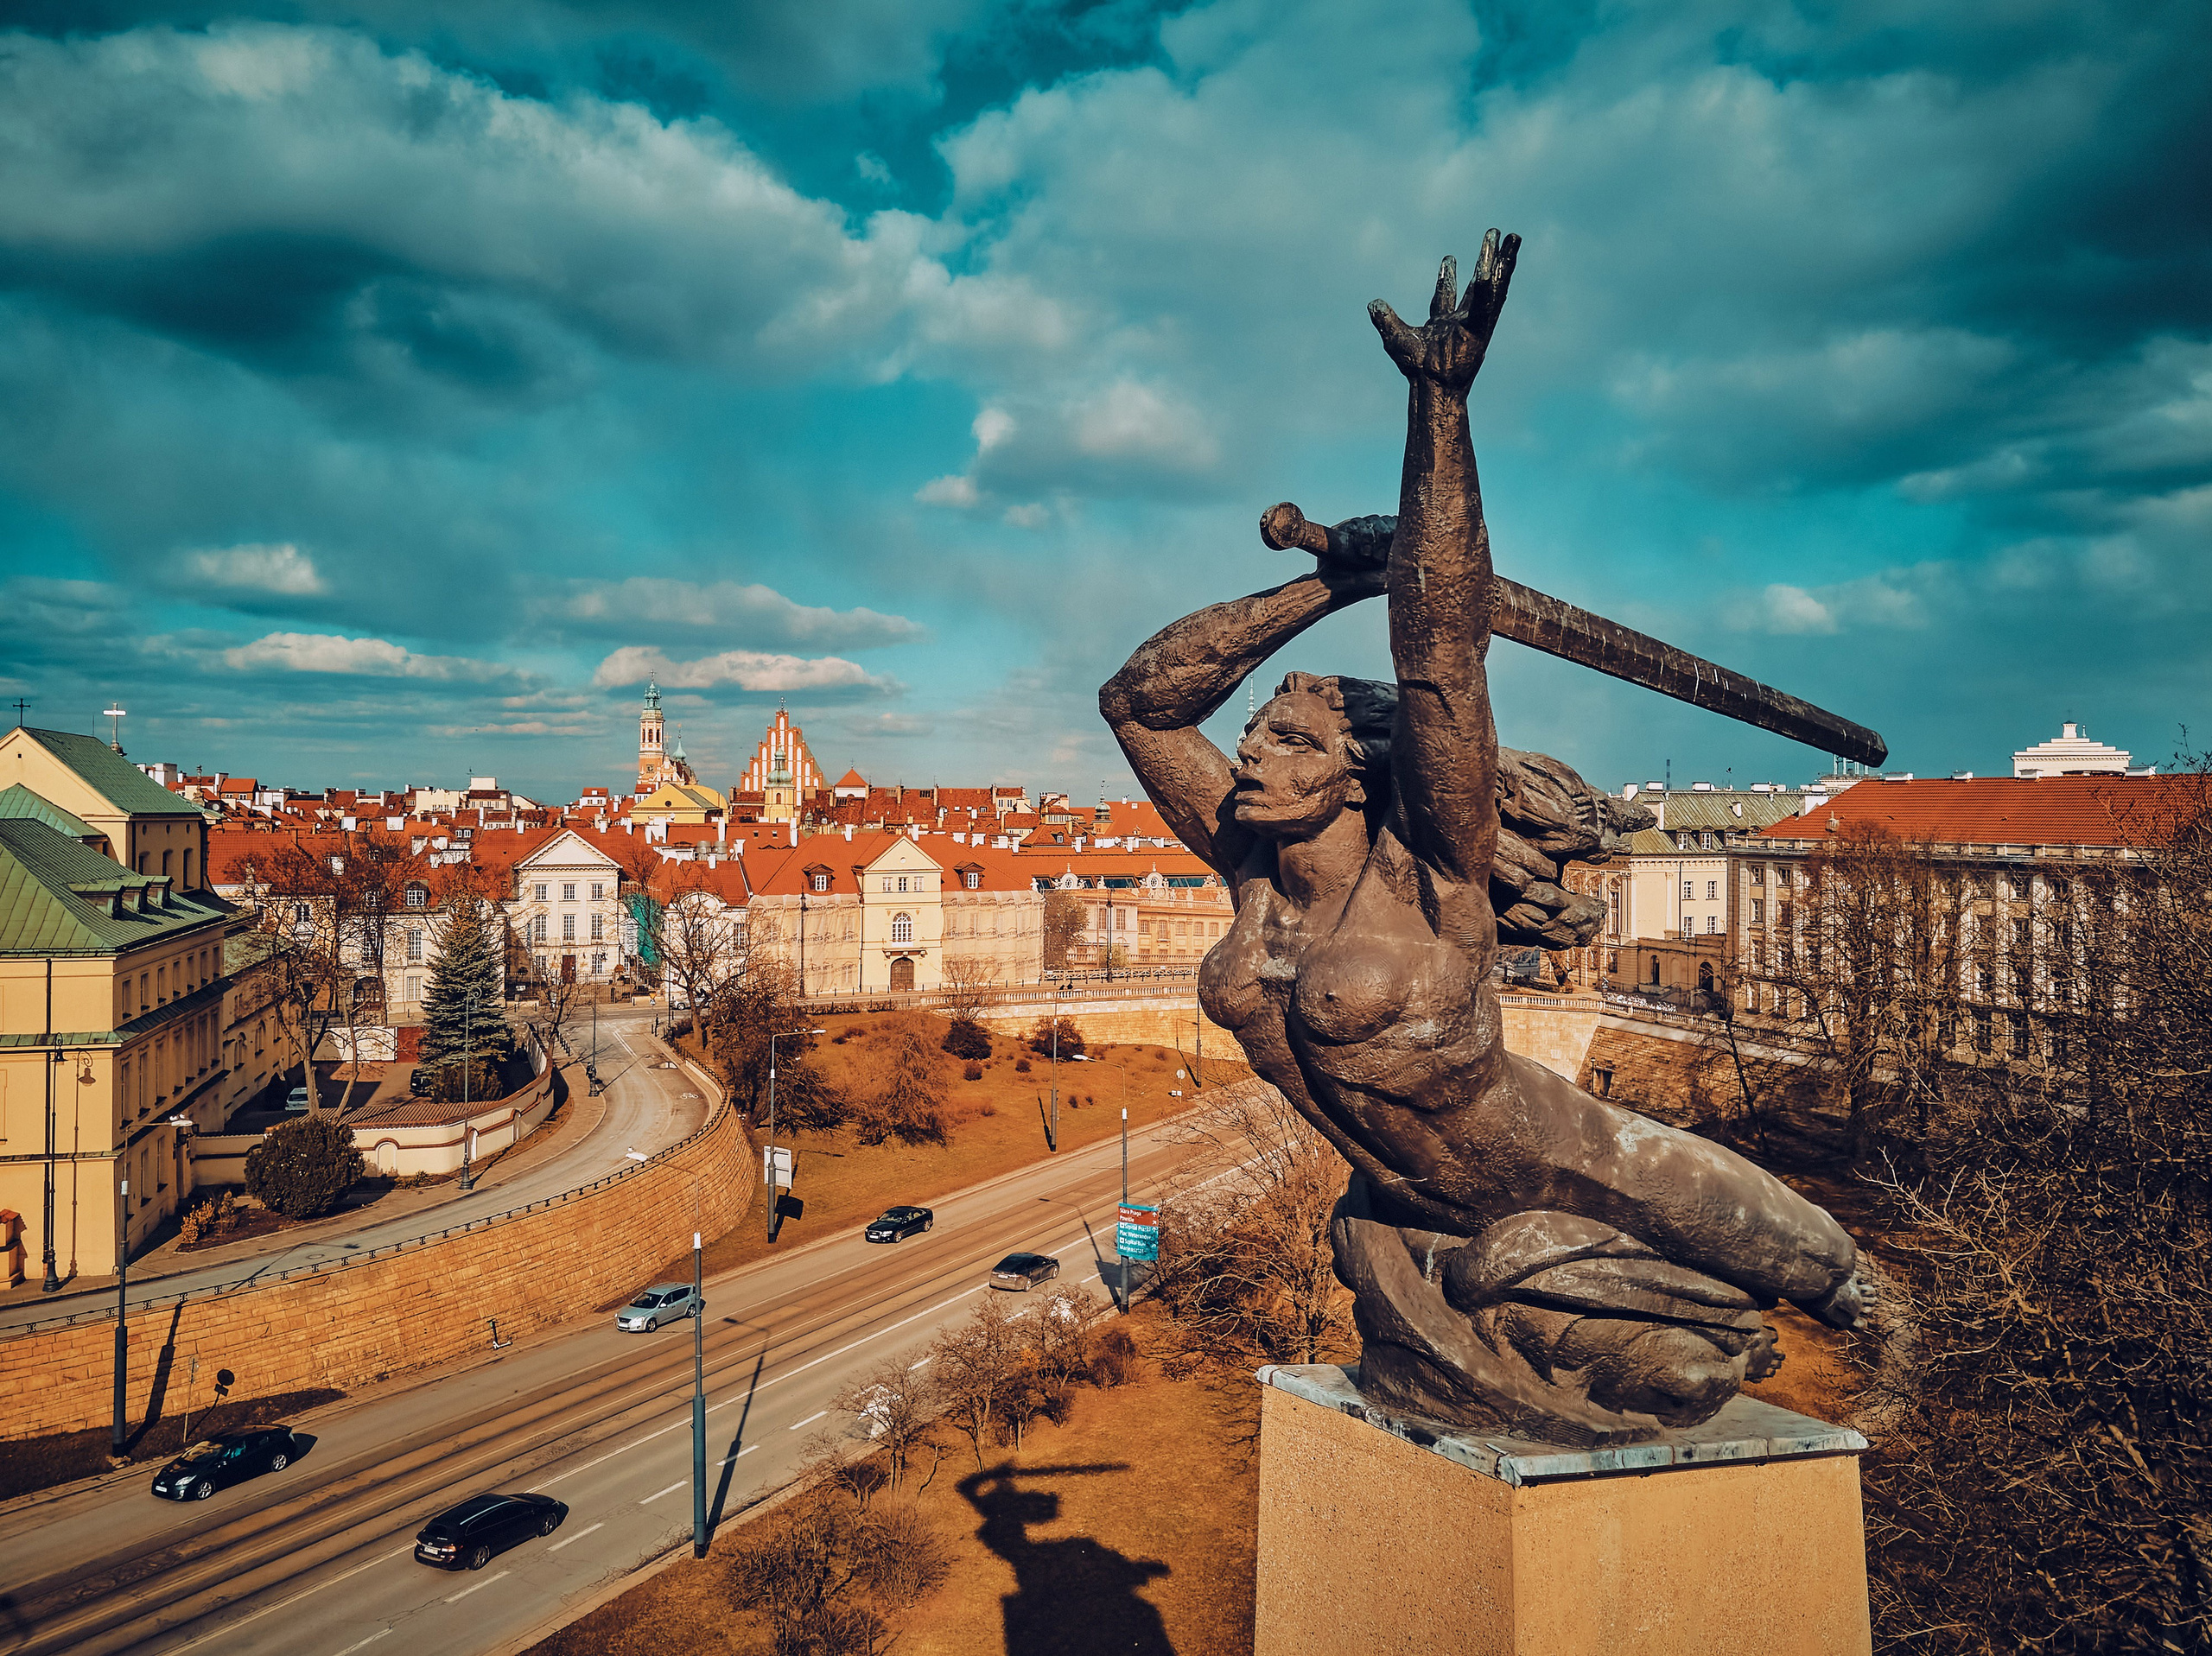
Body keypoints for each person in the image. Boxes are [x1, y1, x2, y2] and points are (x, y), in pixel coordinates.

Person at [1100, 232, 1869, 1440]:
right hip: (1427, 1217)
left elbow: (1442, 651)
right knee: (1668, 1370)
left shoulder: (1431, 871)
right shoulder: (1249, 867)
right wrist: (1330, 582)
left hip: (1565, 1163)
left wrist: (1438, 413)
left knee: (1828, 1272)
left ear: (1358, 773)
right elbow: (1141, 699)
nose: (1250, 755)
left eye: (1291, 741)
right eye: (1252, 735)